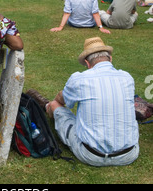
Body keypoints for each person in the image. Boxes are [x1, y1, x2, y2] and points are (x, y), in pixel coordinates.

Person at [45, 37, 139, 167]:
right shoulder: (127, 78)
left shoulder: (80, 79)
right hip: (129, 154)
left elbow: (62, 100)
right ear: (110, 59)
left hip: (91, 155)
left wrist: (55, 102)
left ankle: (45, 106)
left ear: (87, 63)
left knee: (55, 105)